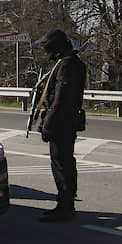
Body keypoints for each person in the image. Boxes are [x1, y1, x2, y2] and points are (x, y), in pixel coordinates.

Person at [37, 28, 87, 222]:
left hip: (62, 123)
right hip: (64, 121)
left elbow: (60, 100)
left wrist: (48, 125)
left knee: (62, 164)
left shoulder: (67, 66)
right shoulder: (69, 63)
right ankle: (65, 204)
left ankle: (65, 206)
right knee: (64, 163)